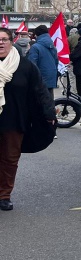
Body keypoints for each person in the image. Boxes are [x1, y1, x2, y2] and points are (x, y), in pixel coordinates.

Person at [0, 27, 57, 211]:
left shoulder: (25, 66)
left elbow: (40, 90)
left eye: (4, 39)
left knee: (9, 159)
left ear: (11, 42)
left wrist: (49, 113)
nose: (1, 43)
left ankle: (4, 195)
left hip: (14, 120)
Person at [27, 25, 58, 101]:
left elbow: (32, 65)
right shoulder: (52, 45)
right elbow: (56, 61)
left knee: (38, 101)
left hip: (39, 78)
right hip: (51, 76)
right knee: (49, 99)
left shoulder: (35, 47)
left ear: (36, 35)